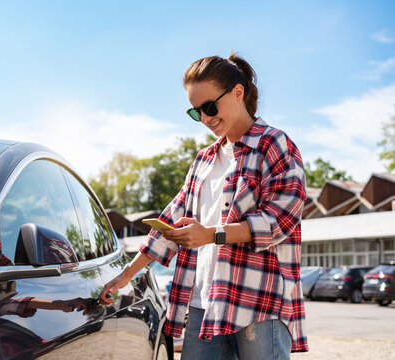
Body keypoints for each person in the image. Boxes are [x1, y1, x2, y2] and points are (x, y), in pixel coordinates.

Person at [99, 53, 308, 359]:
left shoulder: (274, 144)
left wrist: (211, 235)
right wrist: (128, 273)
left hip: (257, 302)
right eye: (196, 112)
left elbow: (280, 221)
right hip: (203, 302)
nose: (206, 119)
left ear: (238, 92)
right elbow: (172, 219)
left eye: (210, 107)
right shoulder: (204, 159)